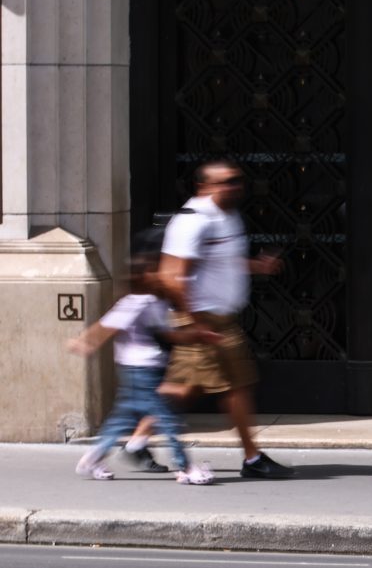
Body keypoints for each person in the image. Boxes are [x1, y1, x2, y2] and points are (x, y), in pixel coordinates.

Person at [158, 160, 295, 479]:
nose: (235, 186)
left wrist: (255, 267)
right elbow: (172, 277)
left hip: (220, 319)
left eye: (238, 180)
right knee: (237, 387)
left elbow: (224, 262)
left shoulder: (227, 216)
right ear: (204, 186)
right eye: (227, 181)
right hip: (203, 319)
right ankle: (252, 458)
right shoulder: (193, 221)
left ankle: (134, 432)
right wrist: (195, 323)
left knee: (185, 390)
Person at [67, 229, 216, 485]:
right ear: (142, 276)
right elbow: (107, 326)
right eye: (155, 270)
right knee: (167, 418)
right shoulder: (134, 302)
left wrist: (197, 335)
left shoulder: (153, 302)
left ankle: (92, 458)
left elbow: (169, 334)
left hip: (146, 370)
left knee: (122, 420)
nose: (162, 275)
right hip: (139, 371)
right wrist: (85, 342)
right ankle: (185, 467)